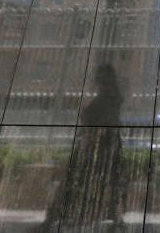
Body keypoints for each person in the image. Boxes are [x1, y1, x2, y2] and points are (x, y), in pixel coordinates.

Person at [38, 63, 127, 231]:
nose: (96, 80)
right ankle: (116, 220)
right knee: (110, 183)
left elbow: (97, 120)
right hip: (105, 146)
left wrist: (86, 118)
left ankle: (53, 219)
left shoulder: (107, 99)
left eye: (98, 76)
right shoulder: (113, 98)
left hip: (95, 147)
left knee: (72, 180)